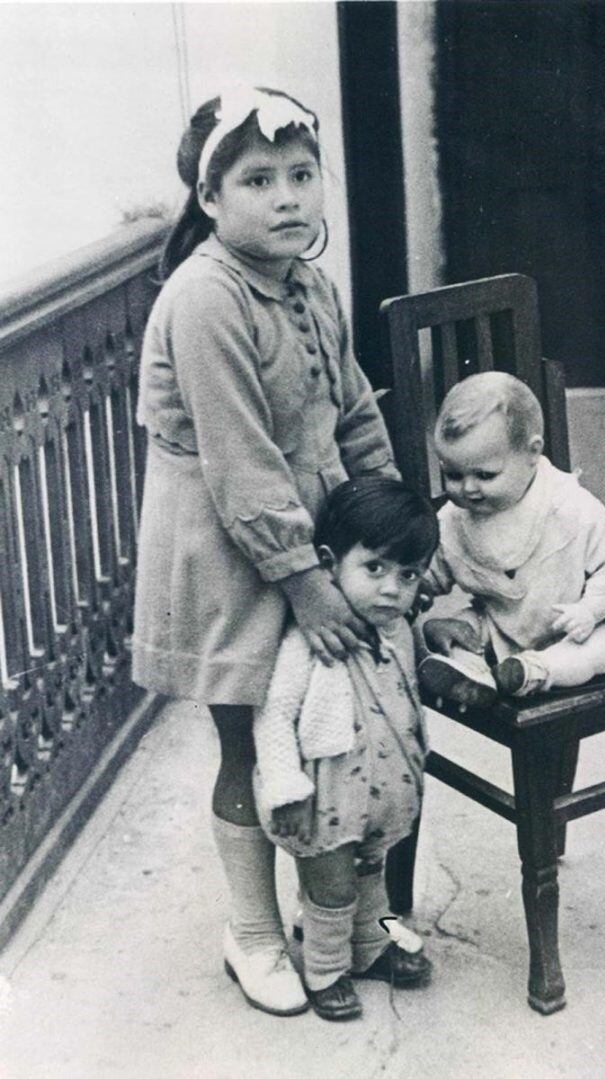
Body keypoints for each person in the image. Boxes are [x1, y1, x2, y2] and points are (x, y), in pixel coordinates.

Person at [131, 86, 400, 1018]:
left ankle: (341, 919)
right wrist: (312, 586)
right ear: (210, 198)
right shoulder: (205, 297)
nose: (287, 198)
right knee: (253, 738)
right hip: (231, 549)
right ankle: (252, 931)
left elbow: (352, 407)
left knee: (338, 731)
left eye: (301, 175)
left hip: (310, 535)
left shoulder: (308, 281)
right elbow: (244, 471)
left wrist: (398, 520)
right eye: (257, 180)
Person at [253, 476, 438, 1021]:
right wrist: (285, 784)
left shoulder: (399, 630)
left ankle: (374, 947)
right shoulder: (310, 640)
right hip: (326, 792)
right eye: (374, 568)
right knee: (331, 888)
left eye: (407, 575)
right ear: (330, 563)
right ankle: (326, 970)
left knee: (371, 879)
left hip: (380, 791)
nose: (390, 589)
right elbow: (274, 713)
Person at [418, 371, 605, 705]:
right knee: (468, 627)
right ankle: (473, 673)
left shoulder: (570, 507)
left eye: (485, 475)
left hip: (587, 625)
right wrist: (415, 588)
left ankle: (536, 670)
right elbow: (431, 572)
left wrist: (590, 611)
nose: (467, 488)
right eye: (453, 474)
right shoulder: (452, 520)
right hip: (501, 625)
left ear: (532, 453)